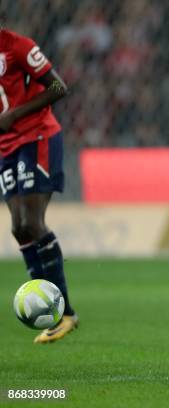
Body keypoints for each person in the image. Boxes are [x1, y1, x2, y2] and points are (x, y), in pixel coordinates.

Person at [0, 27, 77, 343]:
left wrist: (16, 113)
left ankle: (64, 313)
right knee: (19, 228)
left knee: (32, 222)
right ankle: (47, 309)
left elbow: (59, 87)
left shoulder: (18, 47)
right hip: (6, 146)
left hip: (37, 135)